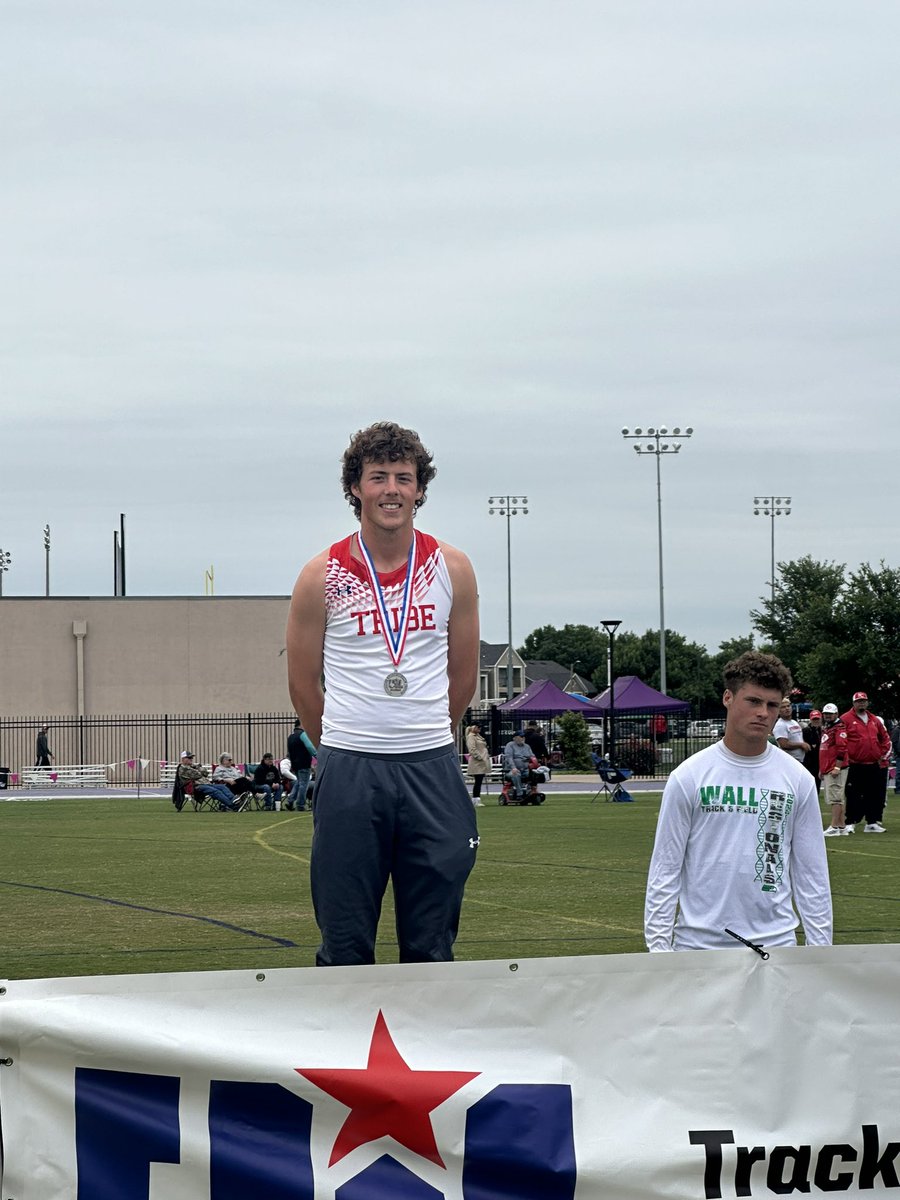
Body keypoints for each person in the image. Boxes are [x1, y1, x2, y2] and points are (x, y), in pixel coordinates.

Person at [285, 420, 480, 966]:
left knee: (432, 946)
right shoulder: (321, 575)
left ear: (419, 489)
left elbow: (463, 677)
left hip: (431, 767)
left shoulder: (452, 569)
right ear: (356, 487)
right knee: (345, 945)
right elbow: (302, 685)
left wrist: (425, 731)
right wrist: (343, 744)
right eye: (378, 477)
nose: (391, 490)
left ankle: (428, 1027)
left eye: (403, 477)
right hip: (351, 770)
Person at [644, 650, 832, 952]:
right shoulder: (689, 776)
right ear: (728, 698)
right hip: (698, 947)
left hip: (777, 947)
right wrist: (659, 951)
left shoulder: (798, 779)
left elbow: (812, 874)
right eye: (753, 701)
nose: (763, 713)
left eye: (772, 705)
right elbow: (665, 870)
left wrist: (820, 951)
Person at [841, 691, 891, 834]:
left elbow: (885, 738)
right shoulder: (845, 719)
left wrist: (882, 755)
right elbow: (841, 740)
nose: (861, 703)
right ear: (853, 703)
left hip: (873, 763)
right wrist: (845, 758)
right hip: (854, 764)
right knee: (853, 794)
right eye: (858, 701)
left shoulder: (874, 719)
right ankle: (850, 822)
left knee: (874, 794)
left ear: (867, 702)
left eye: (863, 701)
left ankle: (872, 822)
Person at [819, 703, 849, 836]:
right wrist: (822, 768)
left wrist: (837, 767)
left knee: (835, 797)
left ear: (836, 714)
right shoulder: (828, 727)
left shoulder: (839, 728)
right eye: (826, 714)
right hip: (828, 766)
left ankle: (834, 826)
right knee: (837, 797)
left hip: (835, 768)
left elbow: (842, 748)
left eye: (830, 714)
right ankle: (841, 826)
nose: (827, 716)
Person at [286, 719, 315, 812]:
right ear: (301, 724)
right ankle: (300, 804)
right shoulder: (303, 735)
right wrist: (317, 755)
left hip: (295, 764)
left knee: (299, 782)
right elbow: (310, 747)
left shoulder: (290, 737)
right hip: (304, 763)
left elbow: (289, 752)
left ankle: (290, 800)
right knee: (304, 784)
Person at [772, 698, 809, 762]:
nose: (787, 708)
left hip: (800, 760)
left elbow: (798, 738)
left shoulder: (794, 722)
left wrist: (804, 743)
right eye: (783, 707)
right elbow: (784, 744)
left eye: (788, 706)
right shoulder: (780, 725)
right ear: (778, 711)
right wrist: (801, 745)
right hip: (789, 760)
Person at [503, 730, 533, 800]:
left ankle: (532, 791)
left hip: (525, 769)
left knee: (535, 774)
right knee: (516, 774)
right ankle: (520, 794)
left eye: (523, 737)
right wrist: (513, 767)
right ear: (515, 738)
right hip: (511, 770)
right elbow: (509, 758)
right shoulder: (510, 745)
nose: (523, 738)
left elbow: (532, 757)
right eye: (521, 736)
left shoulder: (527, 746)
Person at [465, 723, 490, 806]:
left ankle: (477, 799)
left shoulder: (478, 736)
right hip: (477, 762)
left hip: (482, 762)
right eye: (478, 727)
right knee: (478, 781)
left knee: (479, 781)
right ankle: (476, 799)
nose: (480, 728)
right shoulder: (471, 736)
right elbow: (472, 748)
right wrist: (479, 757)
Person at [802, 710, 823, 787]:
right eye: (814, 719)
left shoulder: (823, 730)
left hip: (819, 761)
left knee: (818, 783)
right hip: (809, 761)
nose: (816, 721)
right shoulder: (806, 731)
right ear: (811, 720)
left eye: (817, 719)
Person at [891, 719, 900, 797]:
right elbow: (894, 742)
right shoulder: (896, 730)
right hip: (899, 755)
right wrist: (898, 752)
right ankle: (898, 788)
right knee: (899, 772)